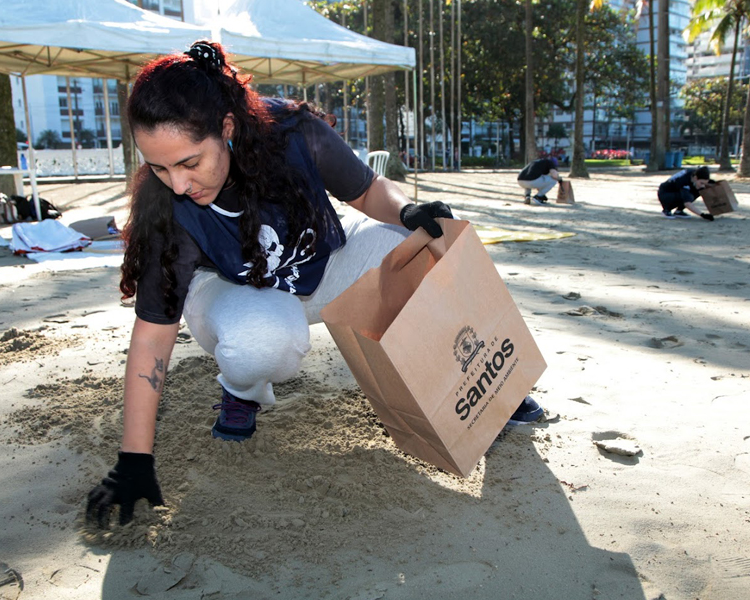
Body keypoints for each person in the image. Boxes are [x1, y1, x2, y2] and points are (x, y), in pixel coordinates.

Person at [85, 41, 545, 528]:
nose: (177, 183)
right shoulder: (166, 207)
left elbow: (367, 190)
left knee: (422, 248)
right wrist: (134, 459)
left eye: (189, 162)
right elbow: (153, 336)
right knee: (264, 343)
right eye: (159, 166)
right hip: (231, 291)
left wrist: (407, 211)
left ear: (227, 127)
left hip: (322, 261)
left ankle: (491, 388)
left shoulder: (293, 134)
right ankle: (242, 390)